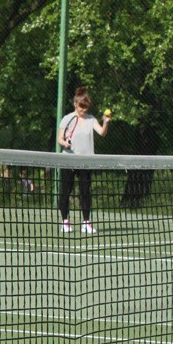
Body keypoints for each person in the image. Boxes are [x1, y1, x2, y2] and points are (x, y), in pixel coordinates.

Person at [57, 87, 111, 234]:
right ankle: (65, 222)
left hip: (86, 161)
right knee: (65, 192)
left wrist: (105, 122)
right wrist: (65, 143)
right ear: (76, 104)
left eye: (86, 108)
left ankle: (86, 223)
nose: (83, 110)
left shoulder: (91, 119)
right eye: (81, 107)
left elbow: (102, 133)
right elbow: (59, 138)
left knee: (85, 192)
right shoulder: (67, 119)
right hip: (68, 160)